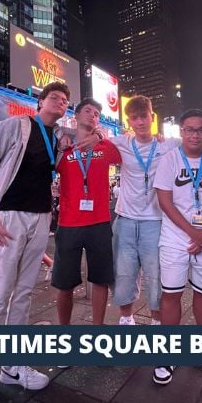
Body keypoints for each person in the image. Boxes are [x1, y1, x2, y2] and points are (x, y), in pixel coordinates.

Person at [0, 82, 71, 399]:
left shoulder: (56, 138)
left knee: (24, 295)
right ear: (40, 102)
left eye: (66, 100)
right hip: (8, 217)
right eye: (55, 97)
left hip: (40, 219)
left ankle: (13, 367)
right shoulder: (15, 125)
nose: (61, 102)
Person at [104, 95, 202, 327]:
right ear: (128, 121)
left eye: (143, 116)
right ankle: (126, 317)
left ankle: (158, 321)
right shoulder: (121, 142)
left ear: (152, 117)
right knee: (123, 273)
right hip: (125, 218)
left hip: (156, 220)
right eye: (134, 118)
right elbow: (97, 140)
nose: (140, 122)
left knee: (157, 276)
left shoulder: (170, 143)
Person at [152, 109, 202, 385]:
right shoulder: (169, 160)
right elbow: (165, 202)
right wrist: (194, 232)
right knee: (171, 294)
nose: (195, 134)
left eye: (201, 130)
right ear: (181, 132)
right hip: (175, 239)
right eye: (189, 129)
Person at [53, 98, 122, 327]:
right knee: (65, 284)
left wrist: (101, 136)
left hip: (100, 223)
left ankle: (98, 331)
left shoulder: (105, 147)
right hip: (69, 224)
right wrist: (60, 137)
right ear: (76, 116)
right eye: (88, 111)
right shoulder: (63, 148)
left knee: (100, 280)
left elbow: (128, 150)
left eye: (97, 114)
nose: (93, 115)